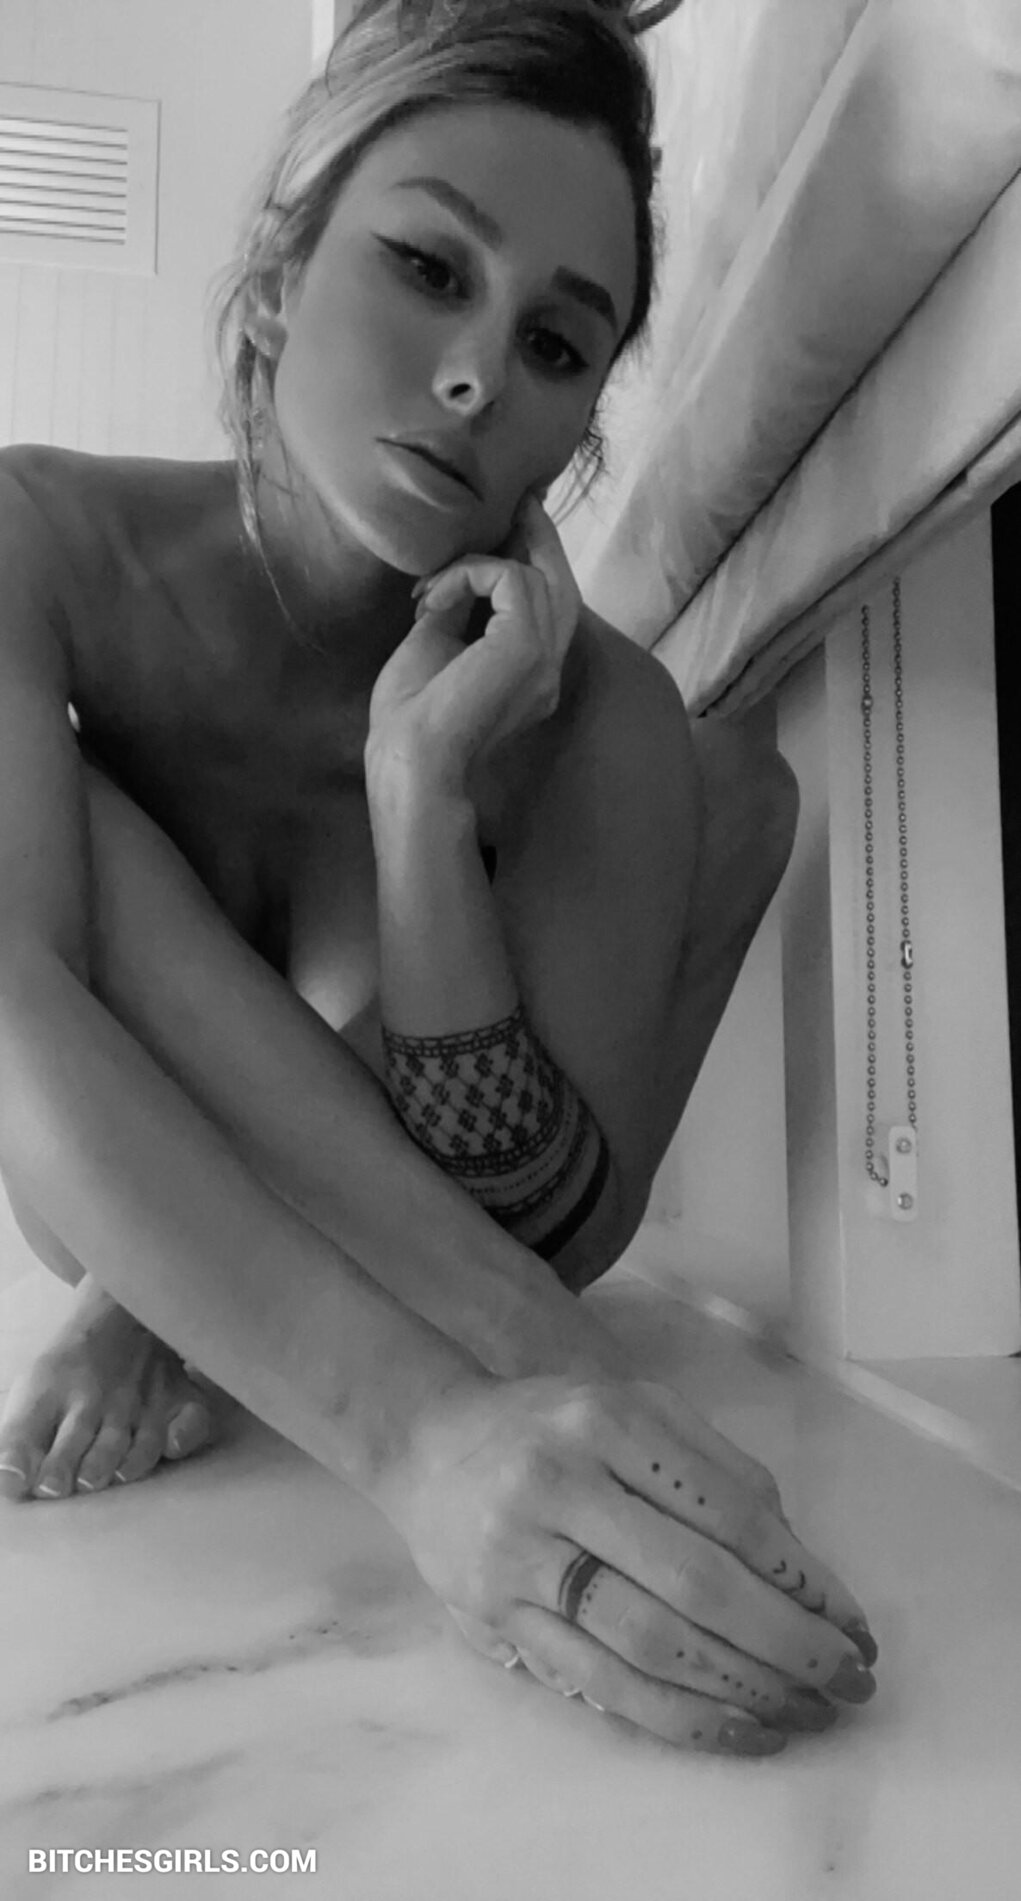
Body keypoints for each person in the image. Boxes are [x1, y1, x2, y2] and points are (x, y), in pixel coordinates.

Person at [0, 0, 877, 1756]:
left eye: (555, 344)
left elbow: (542, 1235)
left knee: (721, 781)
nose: (478, 376)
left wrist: (419, 800)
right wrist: (409, 1433)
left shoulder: (592, 714)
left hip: (487, 1226)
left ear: (582, 426)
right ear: (279, 273)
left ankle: (178, 1279)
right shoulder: (41, 542)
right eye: (425, 267)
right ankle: (161, 1278)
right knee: (58, 818)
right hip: (113, 1183)